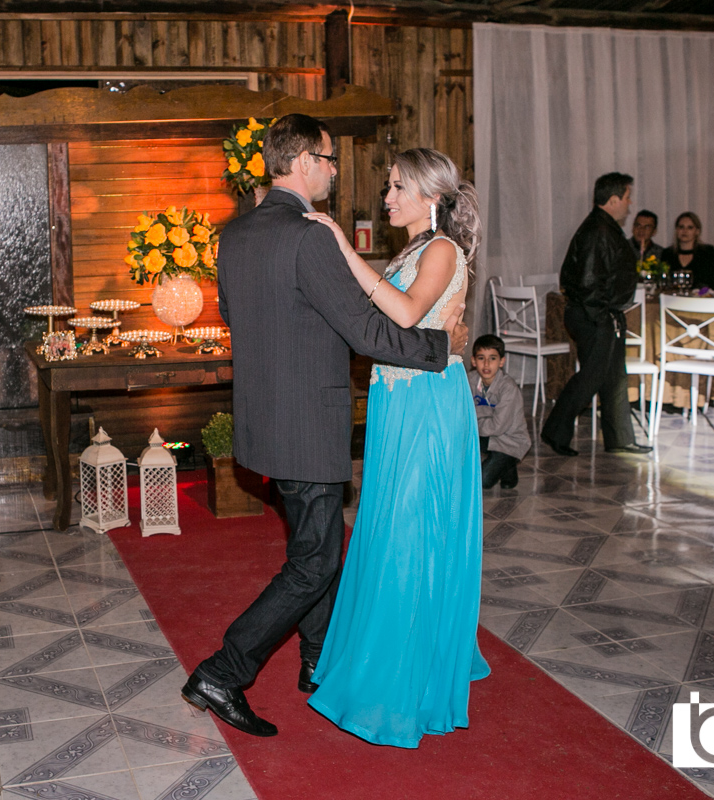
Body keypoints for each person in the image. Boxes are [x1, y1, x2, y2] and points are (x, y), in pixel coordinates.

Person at [183, 117, 468, 739]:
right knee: (314, 563)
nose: (336, 171)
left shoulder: (235, 234)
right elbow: (364, 331)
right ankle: (223, 672)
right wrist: (439, 347)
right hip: (308, 422)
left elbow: (236, 313)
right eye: (331, 159)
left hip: (266, 418)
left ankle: (316, 659)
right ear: (306, 161)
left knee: (313, 548)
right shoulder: (308, 236)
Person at [301, 146, 489, 748]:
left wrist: (343, 248)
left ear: (430, 196)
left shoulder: (441, 249)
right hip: (396, 400)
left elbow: (405, 314)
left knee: (412, 533)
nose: (387, 198)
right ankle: (395, 654)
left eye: (397, 187)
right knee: (388, 528)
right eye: (389, 187)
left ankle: (404, 678)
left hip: (428, 407)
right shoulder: (413, 250)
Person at [540, 173, 651, 458]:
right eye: (627, 198)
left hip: (600, 313)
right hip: (594, 315)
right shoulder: (598, 231)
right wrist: (602, 317)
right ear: (613, 200)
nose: (630, 204)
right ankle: (555, 430)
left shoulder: (603, 227)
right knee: (592, 377)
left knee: (614, 377)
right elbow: (588, 282)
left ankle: (620, 439)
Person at [469, 333, 529, 490]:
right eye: (481, 358)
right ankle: (506, 467)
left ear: (502, 361)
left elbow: (497, 426)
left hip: (510, 441)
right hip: (486, 435)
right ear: (473, 361)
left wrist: (471, 424)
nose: (486, 364)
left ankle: (508, 461)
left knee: (483, 481)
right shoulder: (469, 380)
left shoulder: (508, 388)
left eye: (492, 358)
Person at [665, 211, 714, 292]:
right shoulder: (667, 253)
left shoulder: (708, 253)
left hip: (701, 298)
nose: (685, 231)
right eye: (681, 227)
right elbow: (662, 283)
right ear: (676, 230)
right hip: (672, 298)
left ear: (697, 231)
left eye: (690, 227)